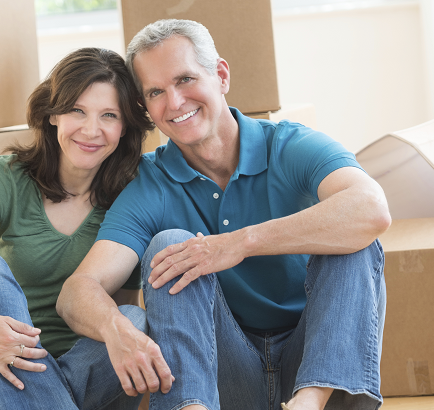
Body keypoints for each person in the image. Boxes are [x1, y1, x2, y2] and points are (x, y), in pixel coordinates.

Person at [57, 19, 391, 410]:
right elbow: (77, 291)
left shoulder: (288, 146)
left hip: (318, 366)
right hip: (227, 379)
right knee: (171, 246)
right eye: (156, 92)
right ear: (146, 108)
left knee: (356, 240)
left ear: (220, 75)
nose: (175, 102)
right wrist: (119, 331)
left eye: (184, 79)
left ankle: (308, 402)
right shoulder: (151, 182)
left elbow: (372, 208)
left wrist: (239, 243)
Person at [0, 47, 154, 410]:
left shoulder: (132, 198)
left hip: (81, 380)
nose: (91, 130)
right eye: (78, 110)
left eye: (109, 115)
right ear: (53, 114)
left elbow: (118, 314)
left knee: (131, 321)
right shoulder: (0, 179)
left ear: (125, 128)